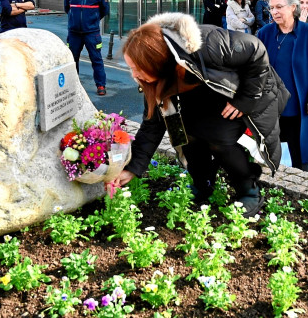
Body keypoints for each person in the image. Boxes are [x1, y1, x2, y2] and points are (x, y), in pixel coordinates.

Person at [111, 13, 289, 217]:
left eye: (138, 69)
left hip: (240, 91)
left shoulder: (205, 43)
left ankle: (248, 190)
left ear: (158, 62)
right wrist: (133, 168)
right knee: (184, 134)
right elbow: (152, 124)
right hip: (199, 92)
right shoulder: (155, 80)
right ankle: (203, 183)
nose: (134, 75)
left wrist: (246, 99)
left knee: (220, 139)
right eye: (131, 68)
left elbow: (255, 50)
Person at [256, 0, 308, 172]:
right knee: (264, 160)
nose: (274, 12)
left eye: (279, 7)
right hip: (271, 108)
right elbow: (255, 69)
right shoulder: (264, 33)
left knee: (302, 161)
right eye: (271, 8)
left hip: (300, 108)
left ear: (293, 7)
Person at [64, 0, 110, 96]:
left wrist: (92, 21)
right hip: (74, 34)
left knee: (96, 59)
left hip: (92, 33)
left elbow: (104, 10)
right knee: (72, 60)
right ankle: (74, 85)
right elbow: (67, 8)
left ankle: (101, 85)